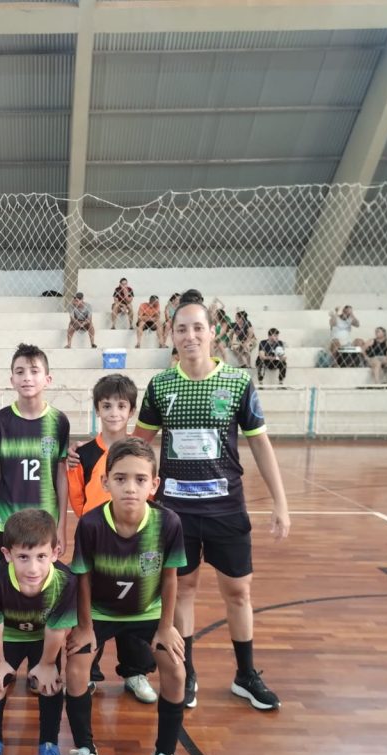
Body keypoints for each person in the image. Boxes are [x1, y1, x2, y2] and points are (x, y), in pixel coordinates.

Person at [135, 290, 290, 712]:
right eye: (181, 329)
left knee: (238, 591)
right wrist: (93, 452)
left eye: (198, 328)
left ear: (212, 332)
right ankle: (187, 673)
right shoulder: (161, 385)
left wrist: (280, 502)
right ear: (171, 334)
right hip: (175, 512)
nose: (190, 336)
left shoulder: (237, 382)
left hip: (226, 508)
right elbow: (138, 444)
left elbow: (260, 445)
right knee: (182, 588)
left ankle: (245, 675)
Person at [65, 437, 190, 755]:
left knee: (176, 670)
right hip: (100, 611)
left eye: (140, 479)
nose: (130, 488)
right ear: (106, 482)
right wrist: (85, 627)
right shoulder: (91, 525)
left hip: (148, 610)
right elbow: (83, 577)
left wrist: (166, 627)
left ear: (154, 484)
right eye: (120, 479)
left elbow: (170, 577)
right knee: (75, 668)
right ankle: (84, 749)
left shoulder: (168, 523)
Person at [67, 373, 155, 696]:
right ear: (97, 409)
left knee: (134, 603)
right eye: (107, 405)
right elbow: (78, 501)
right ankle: (89, 669)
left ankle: (135, 671)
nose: (114, 412)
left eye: (121, 406)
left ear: (132, 411)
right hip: (97, 542)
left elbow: (149, 496)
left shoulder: (141, 452)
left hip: (135, 543)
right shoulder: (84, 454)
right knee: (93, 603)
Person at [0, 509, 78, 755]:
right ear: (7, 554)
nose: (33, 568)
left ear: (55, 552)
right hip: (7, 636)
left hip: (43, 638)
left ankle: (49, 745)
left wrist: (47, 664)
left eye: (41, 556)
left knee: (50, 685)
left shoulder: (66, 580)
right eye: (23, 557)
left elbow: (57, 629)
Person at [0, 343, 70, 560]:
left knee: (40, 575)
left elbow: (61, 474)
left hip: (46, 520)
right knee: (3, 575)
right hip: (7, 519)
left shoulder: (59, 421)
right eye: (20, 372)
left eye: (34, 371)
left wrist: (61, 525)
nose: (27, 378)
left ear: (47, 379)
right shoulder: (0, 421)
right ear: (12, 379)